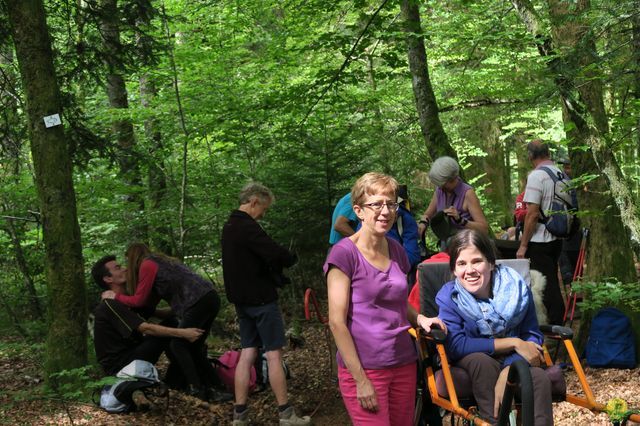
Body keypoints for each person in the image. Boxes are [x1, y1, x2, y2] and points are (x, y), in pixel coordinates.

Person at [324, 172, 446, 425]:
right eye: (376, 204)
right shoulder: (344, 254)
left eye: (391, 204)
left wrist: (420, 318)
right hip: (366, 368)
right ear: (358, 210)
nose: (386, 211)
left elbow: (398, 301)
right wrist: (360, 379)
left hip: (403, 361)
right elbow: (337, 322)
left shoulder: (396, 250)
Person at [436, 229, 553, 425]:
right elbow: (456, 345)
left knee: (539, 378)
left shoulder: (517, 289)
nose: (470, 270)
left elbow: (532, 335)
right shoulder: (449, 297)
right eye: (461, 263)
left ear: (491, 263)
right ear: (454, 270)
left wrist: (509, 370)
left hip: (513, 360)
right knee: (482, 362)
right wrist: (513, 342)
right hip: (474, 361)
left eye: (477, 261)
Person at [221, 182, 310, 426]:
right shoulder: (246, 226)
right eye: (264, 209)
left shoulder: (229, 226)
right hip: (260, 300)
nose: (263, 214)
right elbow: (273, 252)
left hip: (242, 302)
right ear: (254, 202)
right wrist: (289, 258)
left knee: (247, 353)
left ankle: (239, 415)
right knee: (273, 355)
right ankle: (286, 414)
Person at [101, 243, 222, 401]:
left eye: (125, 262)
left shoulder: (147, 265)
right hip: (208, 297)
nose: (125, 268)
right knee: (195, 347)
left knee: (178, 345)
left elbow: (139, 300)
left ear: (132, 258)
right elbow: (149, 305)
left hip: (198, 300)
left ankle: (196, 389)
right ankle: (217, 387)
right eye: (119, 267)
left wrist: (115, 296)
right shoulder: (159, 263)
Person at [91, 255, 204, 377]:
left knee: (171, 322)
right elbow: (146, 328)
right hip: (121, 365)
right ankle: (185, 380)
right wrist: (184, 333)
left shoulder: (126, 299)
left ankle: (179, 378)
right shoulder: (110, 304)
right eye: (118, 268)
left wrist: (192, 302)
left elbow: (161, 313)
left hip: (133, 354)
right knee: (170, 328)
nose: (125, 268)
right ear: (108, 278)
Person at [516, 140, 565, 325]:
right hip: (557, 236)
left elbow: (532, 214)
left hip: (540, 240)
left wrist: (523, 245)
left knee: (545, 285)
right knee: (552, 279)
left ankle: (555, 328)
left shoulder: (536, 176)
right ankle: (555, 323)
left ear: (531, 156)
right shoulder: (559, 173)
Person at [417, 157, 488, 244]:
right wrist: (423, 223)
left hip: (465, 244)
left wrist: (460, 220)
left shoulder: (467, 193)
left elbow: (484, 229)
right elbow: (428, 214)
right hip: (446, 243)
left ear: (453, 179)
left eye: (443, 185)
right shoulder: (440, 191)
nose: (441, 189)